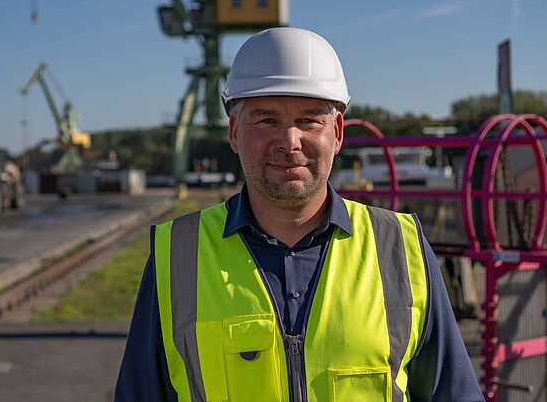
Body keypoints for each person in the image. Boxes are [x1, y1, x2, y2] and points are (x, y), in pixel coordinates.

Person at [114, 27, 483, 402]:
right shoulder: (177, 255)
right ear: (234, 133)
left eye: (308, 120)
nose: (289, 141)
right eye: (265, 120)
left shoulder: (400, 248)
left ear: (337, 133)